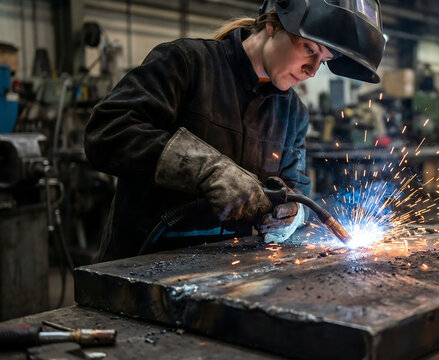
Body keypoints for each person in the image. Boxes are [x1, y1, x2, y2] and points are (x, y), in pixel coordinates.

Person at [85, 0, 385, 261]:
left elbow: (295, 186)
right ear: (273, 24)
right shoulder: (186, 64)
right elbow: (108, 131)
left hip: (226, 274)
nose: (312, 70)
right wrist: (206, 169)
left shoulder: (293, 112)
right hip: (140, 266)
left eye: (325, 59)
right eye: (309, 49)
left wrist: (292, 214)